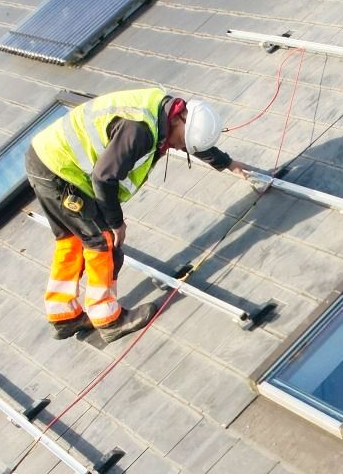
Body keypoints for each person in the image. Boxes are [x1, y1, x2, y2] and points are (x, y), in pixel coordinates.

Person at [24, 88, 252, 342]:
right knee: (103, 240)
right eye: (180, 143)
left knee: (72, 238)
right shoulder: (139, 130)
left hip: (46, 160)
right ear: (180, 119)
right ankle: (109, 320)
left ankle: (63, 315)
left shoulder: (164, 113)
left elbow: (188, 137)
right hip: (60, 171)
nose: (177, 148)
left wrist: (227, 163)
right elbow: (103, 178)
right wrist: (116, 223)